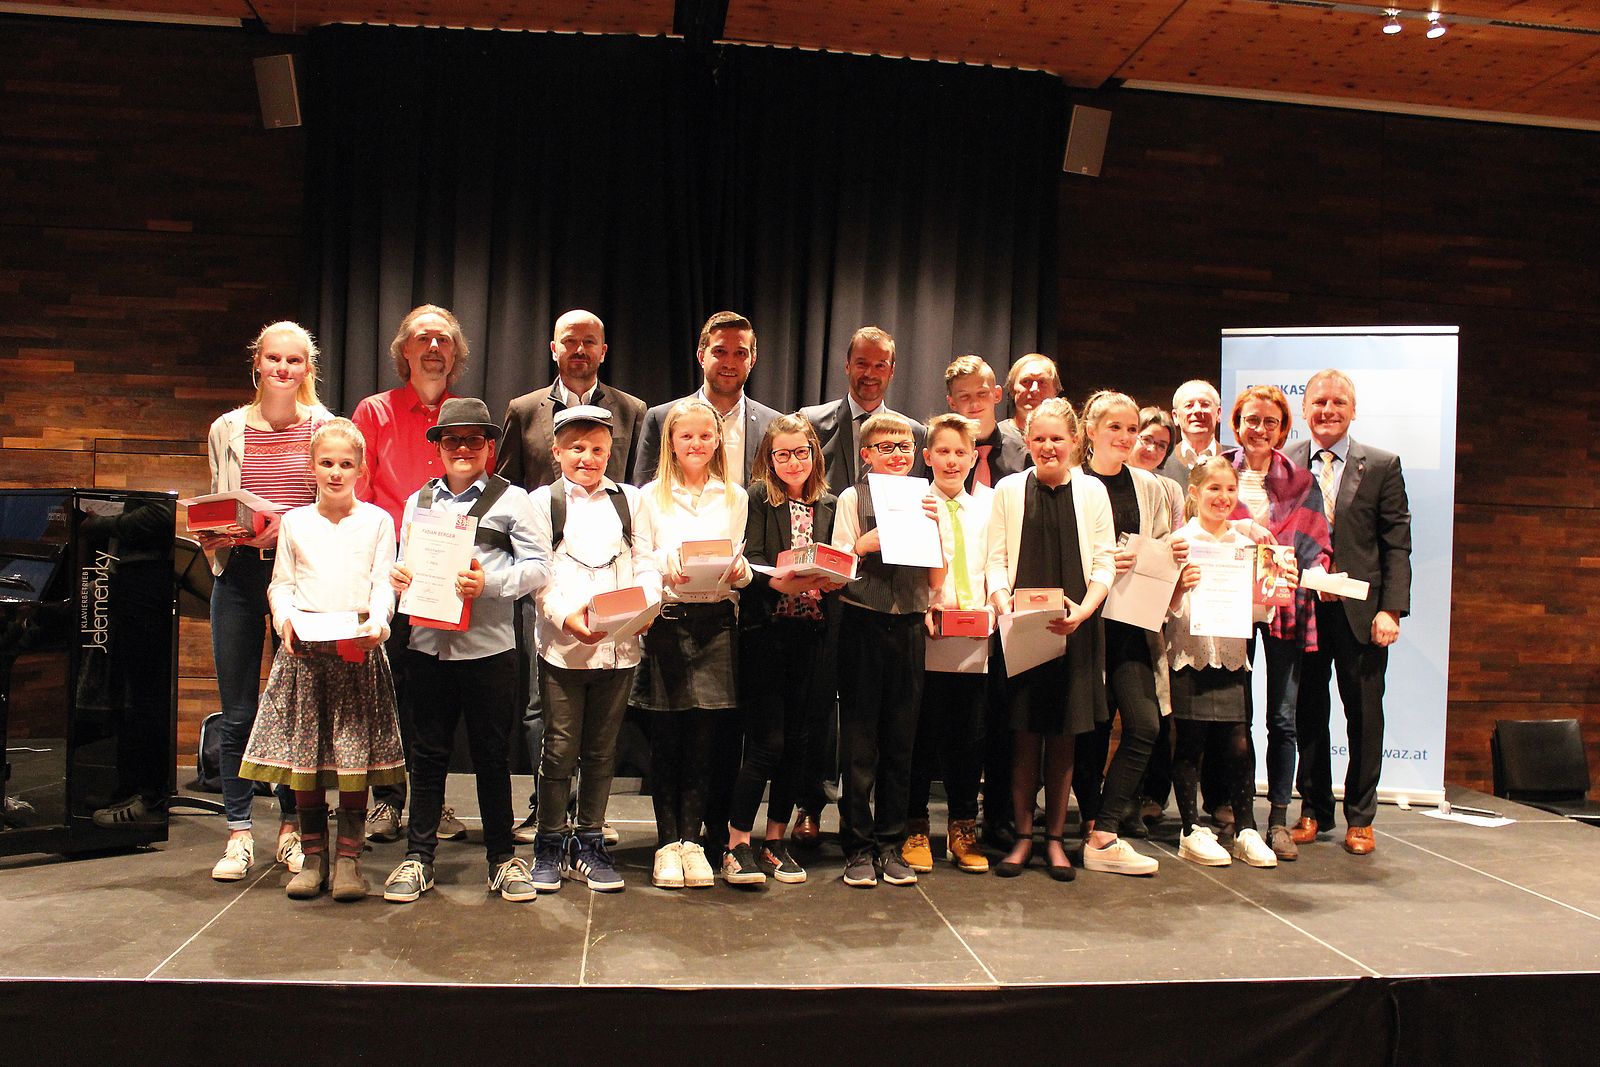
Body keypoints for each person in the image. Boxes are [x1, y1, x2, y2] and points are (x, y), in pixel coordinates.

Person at [381, 399, 551, 905]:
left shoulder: (513, 499)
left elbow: (540, 567)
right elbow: (404, 562)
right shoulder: (418, 501)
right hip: (426, 646)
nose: (462, 448)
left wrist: (490, 584)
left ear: (489, 446)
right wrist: (399, 576)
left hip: (488, 649)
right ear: (438, 447)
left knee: (491, 757)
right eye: (451, 439)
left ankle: (502, 858)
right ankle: (419, 857)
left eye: (473, 439)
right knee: (427, 755)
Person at [239, 418, 405, 901]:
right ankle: (313, 858)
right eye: (327, 463)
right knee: (306, 762)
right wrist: (284, 621)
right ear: (311, 467)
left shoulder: (377, 521)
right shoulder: (295, 522)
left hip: (356, 650)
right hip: (307, 655)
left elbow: (382, 583)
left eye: (346, 464)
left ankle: (349, 861)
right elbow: (282, 584)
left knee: (354, 758)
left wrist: (379, 624)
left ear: (361, 469)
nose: (336, 472)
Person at [498, 310, 646, 843]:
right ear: (553, 347)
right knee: (544, 710)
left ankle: (589, 822)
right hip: (549, 579)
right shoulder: (524, 409)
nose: (579, 349)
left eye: (590, 342)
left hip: (611, 583)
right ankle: (546, 814)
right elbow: (507, 488)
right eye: (570, 341)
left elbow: (637, 496)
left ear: (603, 350)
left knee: (601, 727)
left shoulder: (631, 410)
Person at [198, 321, 331, 883]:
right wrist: (215, 532)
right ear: (257, 362)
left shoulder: (325, 426)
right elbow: (219, 500)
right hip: (238, 576)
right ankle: (238, 833)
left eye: (293, 360)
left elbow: (332, 505)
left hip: (298, 581)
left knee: (294, 710)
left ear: (308, 367)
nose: (282, 368)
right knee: (237, 712)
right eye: (273, 358)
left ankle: (291, 829)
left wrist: (289, 527)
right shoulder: (226, 428)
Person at [793, 325, 928, 846]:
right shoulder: (813, 423)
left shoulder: (913, 437)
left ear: (892, 370)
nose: (871, 374)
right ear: (846, 365)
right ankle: (812, 807)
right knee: (825, 710)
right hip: (827, 589)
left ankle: (887, 834)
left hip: (897, 607)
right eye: (862, 363)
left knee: (889, 728)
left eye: (881, 365)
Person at [525, 405, 660, 892]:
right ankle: (548, 843)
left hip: (620, 649)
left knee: (603, 751)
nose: (587, 458)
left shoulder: (631, 501)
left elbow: (646, 560)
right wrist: (567, 617)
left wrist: (647, 605)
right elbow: (539, 575)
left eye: (598, 449)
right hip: (564, 648)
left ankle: (589, 841)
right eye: (577, 448)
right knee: (560, 748)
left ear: (611, 452)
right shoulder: (542, 503)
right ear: (556, 451)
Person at [352, 304, 470, 845]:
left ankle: (432, 802)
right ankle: (386, 800)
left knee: (435, 695)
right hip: (388, 569)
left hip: (445, 571)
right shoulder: (374, 412)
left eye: (443, 339)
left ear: (455, 353)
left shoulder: (465, 416)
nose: (433, 348)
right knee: (388, 690)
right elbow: (358, 494)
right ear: (405, 350)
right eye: (423, 338)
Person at [984, 398, 1112, 882]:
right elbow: (996, 560)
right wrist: (1002, 602)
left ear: (1075, 441)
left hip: (1075, 627)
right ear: (1027, 441)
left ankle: (1055, 839)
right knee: (1023, 737)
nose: (1048, 446)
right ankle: (1023, 837)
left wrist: (1085, 611)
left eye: (1057, 438)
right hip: (1021, 628)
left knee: (1063, 739)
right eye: (1038, 438)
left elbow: (1104, 563)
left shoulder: (1092, 491)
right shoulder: (1009, 490)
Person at [1287, 369, 1411, 856]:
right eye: (1319, 402)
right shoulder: (1285, 461)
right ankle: (1313, 809)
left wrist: (1391, 610)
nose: (1328, 410)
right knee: (1308, 712)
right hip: (1304, 609)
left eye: (1339, 402)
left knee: (1363, 716)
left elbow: (1396, 543)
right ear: (1304, 409)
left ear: (1353, 410)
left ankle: (1361, 818)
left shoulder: (1381, 464)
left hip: (1362, 615)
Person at [720, 415, 843, 886]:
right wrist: (778, 581)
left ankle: (775, 840)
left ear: (814, 455)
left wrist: (834, 577)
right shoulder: (758, 498)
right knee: (766, 743)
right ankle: (736, 842)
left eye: (801, 453)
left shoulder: (829, 503)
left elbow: (837, 557)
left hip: (812, 634)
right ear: (769, 459)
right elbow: (748, 558)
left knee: (798, 743)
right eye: (783, 454)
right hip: (766, 632)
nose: (793, 462)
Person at [637, 398, 752, 889]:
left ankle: (693, 842)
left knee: (705, 740)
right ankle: (667, 844)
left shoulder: (735, 496)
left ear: (718, 441)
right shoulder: (649, 496)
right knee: (667, 738)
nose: (697, 444)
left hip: (717, 623)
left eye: (706, 436)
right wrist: (668, 564)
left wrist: (740, 572)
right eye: (687, 436)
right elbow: (640, 557)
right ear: (671, 441)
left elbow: (742, 566)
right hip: (669, 621)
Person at [1072, 391, 1180, 877]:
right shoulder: (1073, 481)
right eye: (1114, 427)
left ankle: (1106, 824)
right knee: (1091, 730)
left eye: (1132, 428)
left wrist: (1174, 562)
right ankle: (1095, 825)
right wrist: (1098, 564)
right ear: (1090, 430)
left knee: (1145, 725)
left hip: (1133, 622)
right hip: (1084, 621)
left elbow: (1161, 547)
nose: (1125, 437)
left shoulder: (1150, 486)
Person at [1223, 385, 1332, 860]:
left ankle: (1278, 820)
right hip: (1229, 607)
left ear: (1283, 429)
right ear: (1237, 424)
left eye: (1270, 421)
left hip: (1285, 606)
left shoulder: (1303, 482)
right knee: (1237, 718)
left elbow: (1318, 545)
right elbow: (1200, 526)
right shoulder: (1217, 472)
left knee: (1282, 719)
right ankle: (1242, 817)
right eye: (1252, 420)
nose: (1260, 429)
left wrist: (1319, 571)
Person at [1166, 457, 1287, 870]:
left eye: (1230, 489)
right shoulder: (1180, 542)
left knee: (1238, 742)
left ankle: (1246, 829)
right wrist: (1178, 588)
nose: (1223, 497)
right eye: (1214, 489)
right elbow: (1163, 609)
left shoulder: (1246, 546)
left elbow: (1259, 611)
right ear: (1195, 492)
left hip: (1233, 655)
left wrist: (1274, 586)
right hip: (1190, 653)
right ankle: (1190, 829)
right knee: (1190, 742)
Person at [903, 413, 992, 876]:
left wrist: (992, 608)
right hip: (928, 636)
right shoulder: (916, 506)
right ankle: (915, 827)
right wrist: (924, 607)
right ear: (927, 456)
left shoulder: (987, 510)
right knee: (921, 738)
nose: (952, 460)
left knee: (968, 739)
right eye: (943, 451)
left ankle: (962, 828)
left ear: (973, 457)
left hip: (975, 638)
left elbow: (995, 566)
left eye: (961, 452)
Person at [634, 311, 780, 486]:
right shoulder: (661, 418)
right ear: (701, 356)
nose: (729, 363)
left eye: (740, 353)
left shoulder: (773, 425)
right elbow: (643, 490)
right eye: (720, 351)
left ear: (752, 360)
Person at [1125, 404, 1185, 832]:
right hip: (1103, 607)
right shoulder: (1100, 480)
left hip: (1149, 610)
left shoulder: (1168, 489)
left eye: (1162, 445)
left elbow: (1172, 544)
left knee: (1151, 714)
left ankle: (1140, 798)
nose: (1151, 449)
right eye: (1146, 439)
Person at [944, 355, 1028, 491]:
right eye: (964, 396)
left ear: (997, 394)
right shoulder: (941, 455)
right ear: (952, 402)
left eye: (982, 393)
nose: (974, 403)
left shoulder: (1023, 454)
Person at [1158, 379, 1223, 486]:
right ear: (1175, 416)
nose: (1197, 410)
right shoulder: (1159, 461)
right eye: (1189, 405)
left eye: (1205, 404)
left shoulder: (1236, 460)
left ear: (1218, 413)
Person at [1001, 353, 1061, 442]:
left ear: (1055, 391)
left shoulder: (1068, 440)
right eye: (1026, 381)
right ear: (1012, 388)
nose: (1034, 389)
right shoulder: (996, 438)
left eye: (1042, 382)